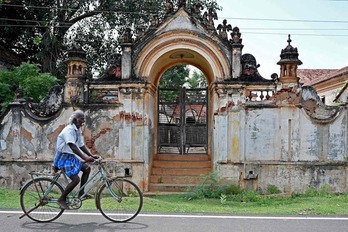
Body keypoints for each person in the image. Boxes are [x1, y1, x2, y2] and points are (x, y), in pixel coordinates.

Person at [53, 110, 99, 210]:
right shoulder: (69, 130)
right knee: (76, 179)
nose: (83, 121)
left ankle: (81, 194)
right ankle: (61, 199)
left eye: (83, 119)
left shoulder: (77, 130)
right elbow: (73, 147)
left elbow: (81, 145)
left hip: (71, 157)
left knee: (86, 169)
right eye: (81, 119)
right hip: (64, 158)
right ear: (74, 120)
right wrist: (85, 158)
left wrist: (91, 155)